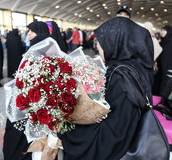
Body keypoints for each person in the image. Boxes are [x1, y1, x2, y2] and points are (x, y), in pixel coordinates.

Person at [59, 17, 154, 160]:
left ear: (116, 43)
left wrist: (68, 129)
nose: (97, 46)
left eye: (102, 42)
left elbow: (111, 137)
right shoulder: (130, 69)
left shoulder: (121, 78)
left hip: (114, 147)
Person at [3, 21, 50, 160]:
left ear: (40, 32)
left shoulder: (39, 52)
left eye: (31, 31)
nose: (28, 33)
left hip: (30, 106)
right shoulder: (34, 50)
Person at [153, 25, 172, 96]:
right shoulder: (163, 41)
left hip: (167, 66)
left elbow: (167, 55)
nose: (162, 32)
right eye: (162, 30)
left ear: (168, 32)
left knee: (165, 81)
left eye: (164, 31)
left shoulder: (171, 41)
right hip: (161, 66)